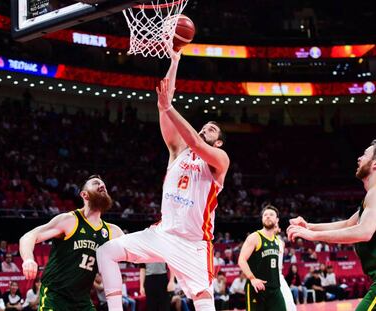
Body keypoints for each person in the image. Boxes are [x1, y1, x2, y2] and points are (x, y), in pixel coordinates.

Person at [96, 49, 230, 311]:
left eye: (211, 129)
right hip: (163, 233)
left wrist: (170, 107)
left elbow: (191, 136)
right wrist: (175, 61)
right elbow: (163, 104)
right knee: (106, 252)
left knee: (203, 299)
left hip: (193, 244)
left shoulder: (219, 160)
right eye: (204, 126)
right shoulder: (178, 151)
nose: (205, 129)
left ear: (219, 141)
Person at [287, 140, 376, 310]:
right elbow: (348, 224)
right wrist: (309, 226)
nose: (359, 158)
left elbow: (364, 232)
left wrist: (313, 236)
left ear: (375, 164)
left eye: (365, 154)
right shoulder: (370, 198)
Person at [19, 175, 124, 311]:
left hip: (82, 300)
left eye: (104, 186)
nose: (102, 186)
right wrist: (28, 259)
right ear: (84, 195)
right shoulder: (70, 221)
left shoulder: (112, 232)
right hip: (56, 297)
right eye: (96, 183)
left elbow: (138, 250)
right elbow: (29, 236)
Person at [238, 205, 286, 310]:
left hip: (275, 289)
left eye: (271, 214)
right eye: (265, 215)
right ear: (262, 219)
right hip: (257, 289)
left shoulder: (279, 242)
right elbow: (241, 260)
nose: (268, 216)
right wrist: (252, 278)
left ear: (277, 220)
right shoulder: (254, 237)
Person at [274, 225, 296, 311]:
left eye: (276, 226)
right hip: (265, 276)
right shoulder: (260, 239)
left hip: (278, 275)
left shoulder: (281, 242)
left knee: (290, 303)